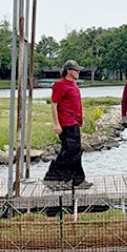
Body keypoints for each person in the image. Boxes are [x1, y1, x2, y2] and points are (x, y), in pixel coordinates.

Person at [43, 59, 92, 190]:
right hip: (65, 123)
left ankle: (73, 179)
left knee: (74, 151)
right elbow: (54, 105)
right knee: (71, 151)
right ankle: (54, 177)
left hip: (74, 123)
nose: (78, 72)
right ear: (68, 71)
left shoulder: (74, 84)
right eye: (76, 70)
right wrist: (56, 124)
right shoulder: (60, 85)